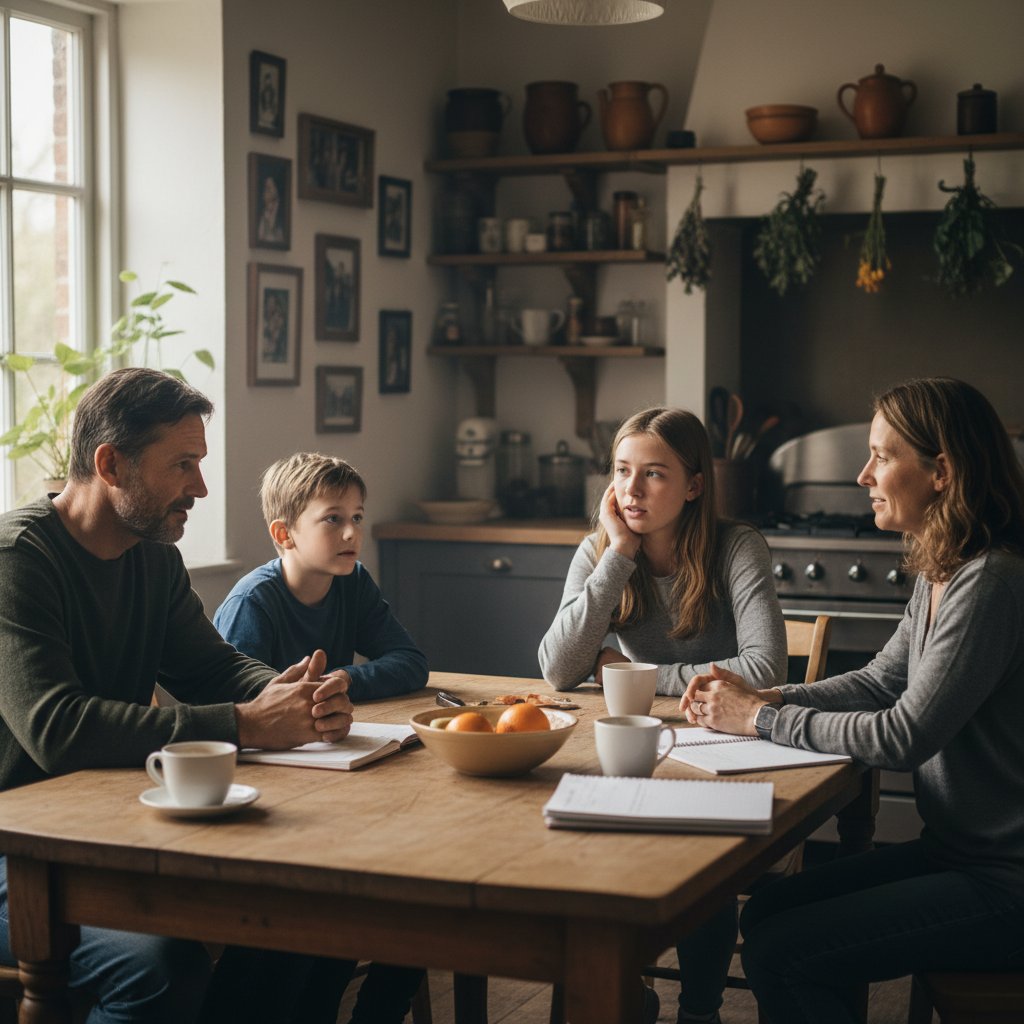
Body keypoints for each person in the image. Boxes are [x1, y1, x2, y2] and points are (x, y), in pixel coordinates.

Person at [0, 367, 353, 1024]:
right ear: (110, 464)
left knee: (315, 923)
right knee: (160, 969)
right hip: (18, 850)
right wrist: (248, 723)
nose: (202, 487)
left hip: (101, 829)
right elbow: (57, 728)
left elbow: (210, 668)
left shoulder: (151, 552)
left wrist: (292, 695)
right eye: (182, 464)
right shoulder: (17, 559)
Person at [682, 378, 1024, 1024]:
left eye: (882, 457)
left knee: (783, 953)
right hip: (958, 853)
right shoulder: (945, 571)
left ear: (942, 472)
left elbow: (903, 735)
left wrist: (758, 718)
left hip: (1005, 885)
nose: (863, 475)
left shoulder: (990, 583)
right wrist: (765, 692)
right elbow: (878, 680)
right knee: (767, 911)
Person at [538, 406, 787, 1024]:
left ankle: (698, 1011)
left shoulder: (737, 546)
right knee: (588, 849)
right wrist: (618, 552)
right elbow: (556, 669)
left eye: (654, 474)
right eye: (622, 471)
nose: (631, 489)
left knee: (704, 867)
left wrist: (626, 673)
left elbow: (765, 669)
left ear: (695, 484)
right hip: (635, 742)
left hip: (723, 744)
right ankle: (626, 993)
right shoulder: (601, 549)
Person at [206, 452, 427, 1024]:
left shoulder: (351, 582)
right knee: (346, 905)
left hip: (334, 781)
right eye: (333, 518)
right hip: (273, 800)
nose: (353, 531)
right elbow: (236, 716)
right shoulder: (254, 604)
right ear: (284, 534)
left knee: (419, 886)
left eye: (357, 515)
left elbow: (410, 662)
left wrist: (344, 680)